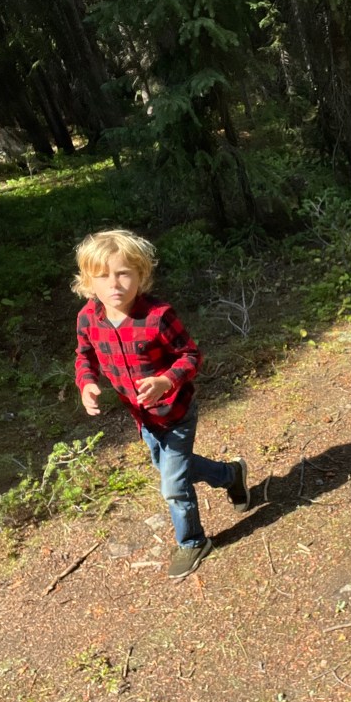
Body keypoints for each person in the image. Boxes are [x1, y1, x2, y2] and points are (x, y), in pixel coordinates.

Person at [72, 229, 250, 580]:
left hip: (176, 412)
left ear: (141, 275)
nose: (115, 284)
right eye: (103, 276)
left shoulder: (157, 316)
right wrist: (86, 383)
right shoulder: (88, 318)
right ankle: (230, 474)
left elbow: (191, 355)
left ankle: (193, 542)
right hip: (141, 417)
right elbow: (84, 356)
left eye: (124, 273)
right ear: (88, 281)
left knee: (172, 485)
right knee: (172, 469)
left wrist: (166, 380)